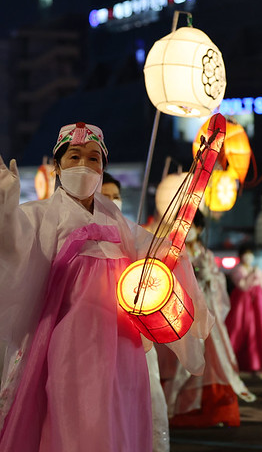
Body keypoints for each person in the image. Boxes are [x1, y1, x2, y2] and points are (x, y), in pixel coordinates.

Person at [0, 122, 211, 451]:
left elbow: (156, 262)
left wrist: (173, 245)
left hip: (123, 338)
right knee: (77, 414)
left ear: (103, 168)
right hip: (69, 336)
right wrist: (5, 200)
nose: (84, 165)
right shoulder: (41, 215)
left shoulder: (118, 222)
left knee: (119, 411)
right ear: (57, 166)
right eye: (74, 156)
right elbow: (5, 246)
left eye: (93, 158)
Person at [161, 212, 255, 428]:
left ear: (200, 228)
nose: (188, 229)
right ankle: (176, 408)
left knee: (213, 360)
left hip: (204, 314)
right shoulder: (170, 251)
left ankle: (210, 410)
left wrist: (209, 277)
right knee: (179, 360)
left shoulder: (206, 254)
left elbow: (218, 286)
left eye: (193, 225)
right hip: (180, 314)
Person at [101, 170, 170, 452]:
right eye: (105, 197)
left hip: (131, 331)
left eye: (116, 197)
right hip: (94, 333)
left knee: (141, 395)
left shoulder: (135, 237)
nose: (112, 202)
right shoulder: (73, 234)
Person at [226, 244, 262, 376]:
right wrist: (252, 274)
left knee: (257, 332)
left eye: (250, 254)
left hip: (258, 306)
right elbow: (243, 285)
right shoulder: (238, 270)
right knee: (237, 330)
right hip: (242, 305)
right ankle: (231, 363)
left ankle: (256, 365)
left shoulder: (257, 270)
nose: (248, 257)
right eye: (246, 253)